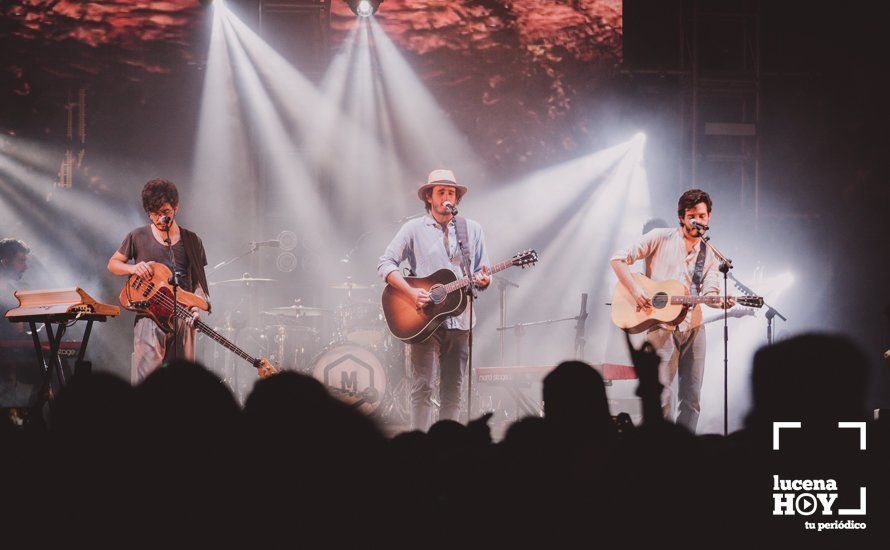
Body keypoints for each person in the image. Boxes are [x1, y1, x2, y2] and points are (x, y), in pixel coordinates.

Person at [609, 189, 733, 432]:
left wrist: (720, 301)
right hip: (660, 327)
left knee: (692, 399)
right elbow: (618, 258)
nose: (697, 220)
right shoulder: (659, 237)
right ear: (681, 217)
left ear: (709, 217)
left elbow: (710, 293)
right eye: (692, 215)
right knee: (661, 397)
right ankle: (657, 451)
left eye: (702, 215)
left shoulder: (709, 254)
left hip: (694, 328)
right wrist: (635, 290)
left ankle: (684, 452)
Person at [378, 169, 491, 431]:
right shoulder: (413, 229)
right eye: (441, 192)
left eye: (451, 192)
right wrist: (410, 292)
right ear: (429, 197)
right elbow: (385, 263)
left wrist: (486, 280)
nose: (447, 197)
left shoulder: (471, 229)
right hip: (424, 319)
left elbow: (483, 269)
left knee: (453, 389)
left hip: (461, 321)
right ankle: (419, 447)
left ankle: (447, 449)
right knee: (423, 387)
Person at [107, 179, 209, 384]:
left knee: (184, 381)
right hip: (149, 316)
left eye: (164, 211)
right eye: (153, 213)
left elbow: (199, 283)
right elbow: (113, 264)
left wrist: (196, 309)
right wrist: (133, 268)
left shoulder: (192, 240)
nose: (159, 218)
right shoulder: (138, 236)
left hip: (183, 315)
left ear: (176, 207)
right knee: (149, 383)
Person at [0, 238, 36, 406]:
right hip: (6, 360)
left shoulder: (10, 288)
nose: (25, 267)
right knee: (52, 369)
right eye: (21, 261)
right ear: (4, 261)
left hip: (10, 357)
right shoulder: (6, 291)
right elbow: (16, 331)